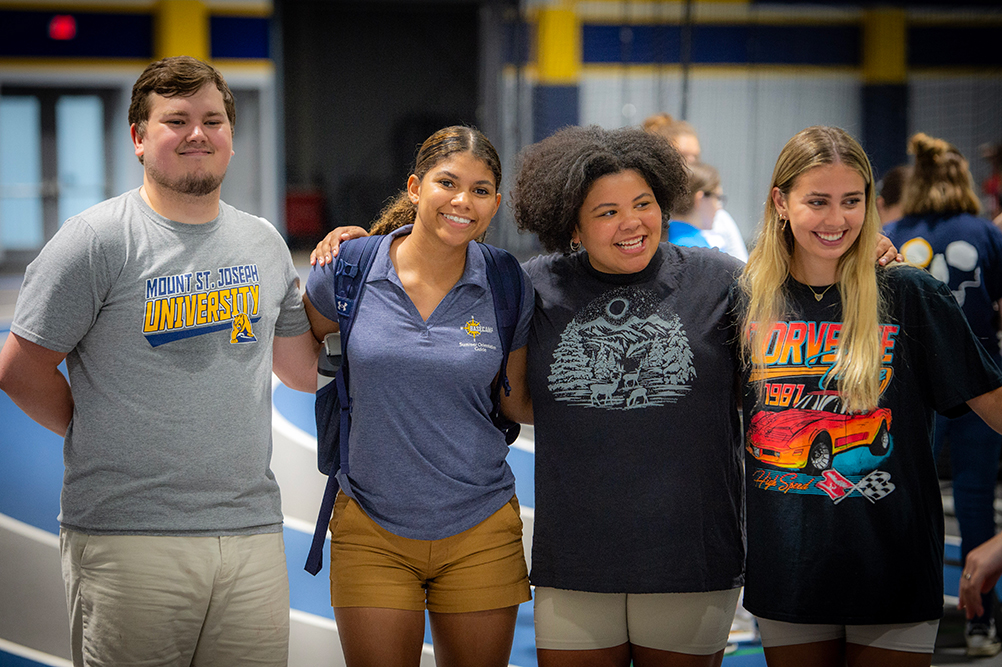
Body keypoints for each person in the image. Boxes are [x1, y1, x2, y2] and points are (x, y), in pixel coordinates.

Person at [0, 56, 320, 667]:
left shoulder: (263, 242)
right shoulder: (96, 240)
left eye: (213, 119)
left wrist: (347, 270)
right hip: (130, 537)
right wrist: (97, 424)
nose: (198, 133)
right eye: (176, 120)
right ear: (139, 138)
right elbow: (19, 368)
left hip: (250, 531)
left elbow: (300, 370)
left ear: (230, 133)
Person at [737, 125, 1002, 667]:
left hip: (894, 569)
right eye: (817, 201)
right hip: (788, 572)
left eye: (851, 202)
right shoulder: (745, 299)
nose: (836, 220)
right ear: (780, 203)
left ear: (871, 204)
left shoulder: (911, 293)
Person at [303, 126, 534, 667]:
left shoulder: (507, 283)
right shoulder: (350, 270)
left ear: (495, 204)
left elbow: (516, 401)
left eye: (480, 190)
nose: (462, 201)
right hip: (370, 526)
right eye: (447, 183)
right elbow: (297, 352)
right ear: (414, 186)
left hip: (480, 525)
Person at [884, 132, 1002, 657]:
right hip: (979, 384)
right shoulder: (986, 233)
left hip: (912, 390)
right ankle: (981, 623)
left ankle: (900, 615)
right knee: (975, 500)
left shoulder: (890, 233)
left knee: (903, 494)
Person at [643, 112, 748, 261]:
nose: (691, 164)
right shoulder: (646, 211)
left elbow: (742, 271)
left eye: (695, 157)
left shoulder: (719, 218)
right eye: (682, 156)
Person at [668, 161, 723, 249]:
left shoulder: (661, 237)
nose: (719, 207)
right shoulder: (698, 250)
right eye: (717, 198)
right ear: (700, 199)